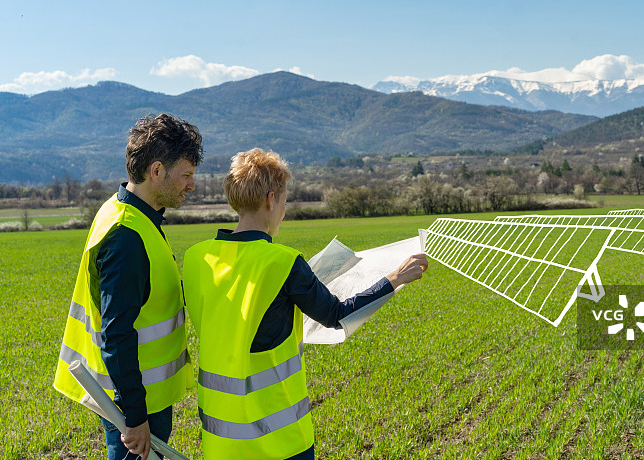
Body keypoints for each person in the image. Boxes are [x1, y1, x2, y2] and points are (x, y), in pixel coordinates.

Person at [182, 148, 428, 460]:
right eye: (283, 202)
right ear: (271, 200)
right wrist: (395, 279)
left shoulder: (196, 258)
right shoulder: (283, 263)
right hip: (279, 441)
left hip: (221, 440)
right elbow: (337, 315)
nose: (282, 211)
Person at [53, 113, 204, 460]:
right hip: (133, 403)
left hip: (139, 396)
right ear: (156, 172)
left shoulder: (130, 214)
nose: (191, 185)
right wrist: (135, 418)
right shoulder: (126, 237)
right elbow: (117, 334)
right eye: (186, 175)